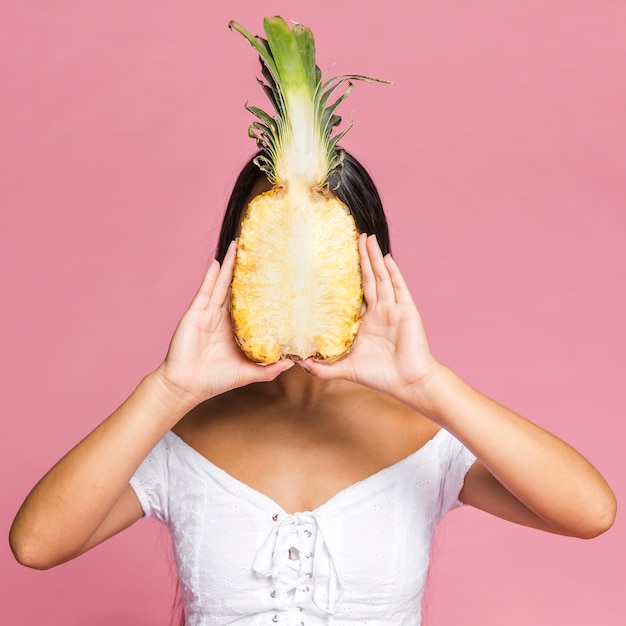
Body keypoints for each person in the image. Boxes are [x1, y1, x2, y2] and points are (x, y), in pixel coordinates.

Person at [10, 151, 616, 625]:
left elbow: (590, 512)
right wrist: (168, 390)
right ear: (237, 260)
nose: (295, 275)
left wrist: (428, 384)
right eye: (276, 247)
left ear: (364, 261)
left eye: (318, 250)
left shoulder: (427, 434)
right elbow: (36, 544)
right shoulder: (184, 433)